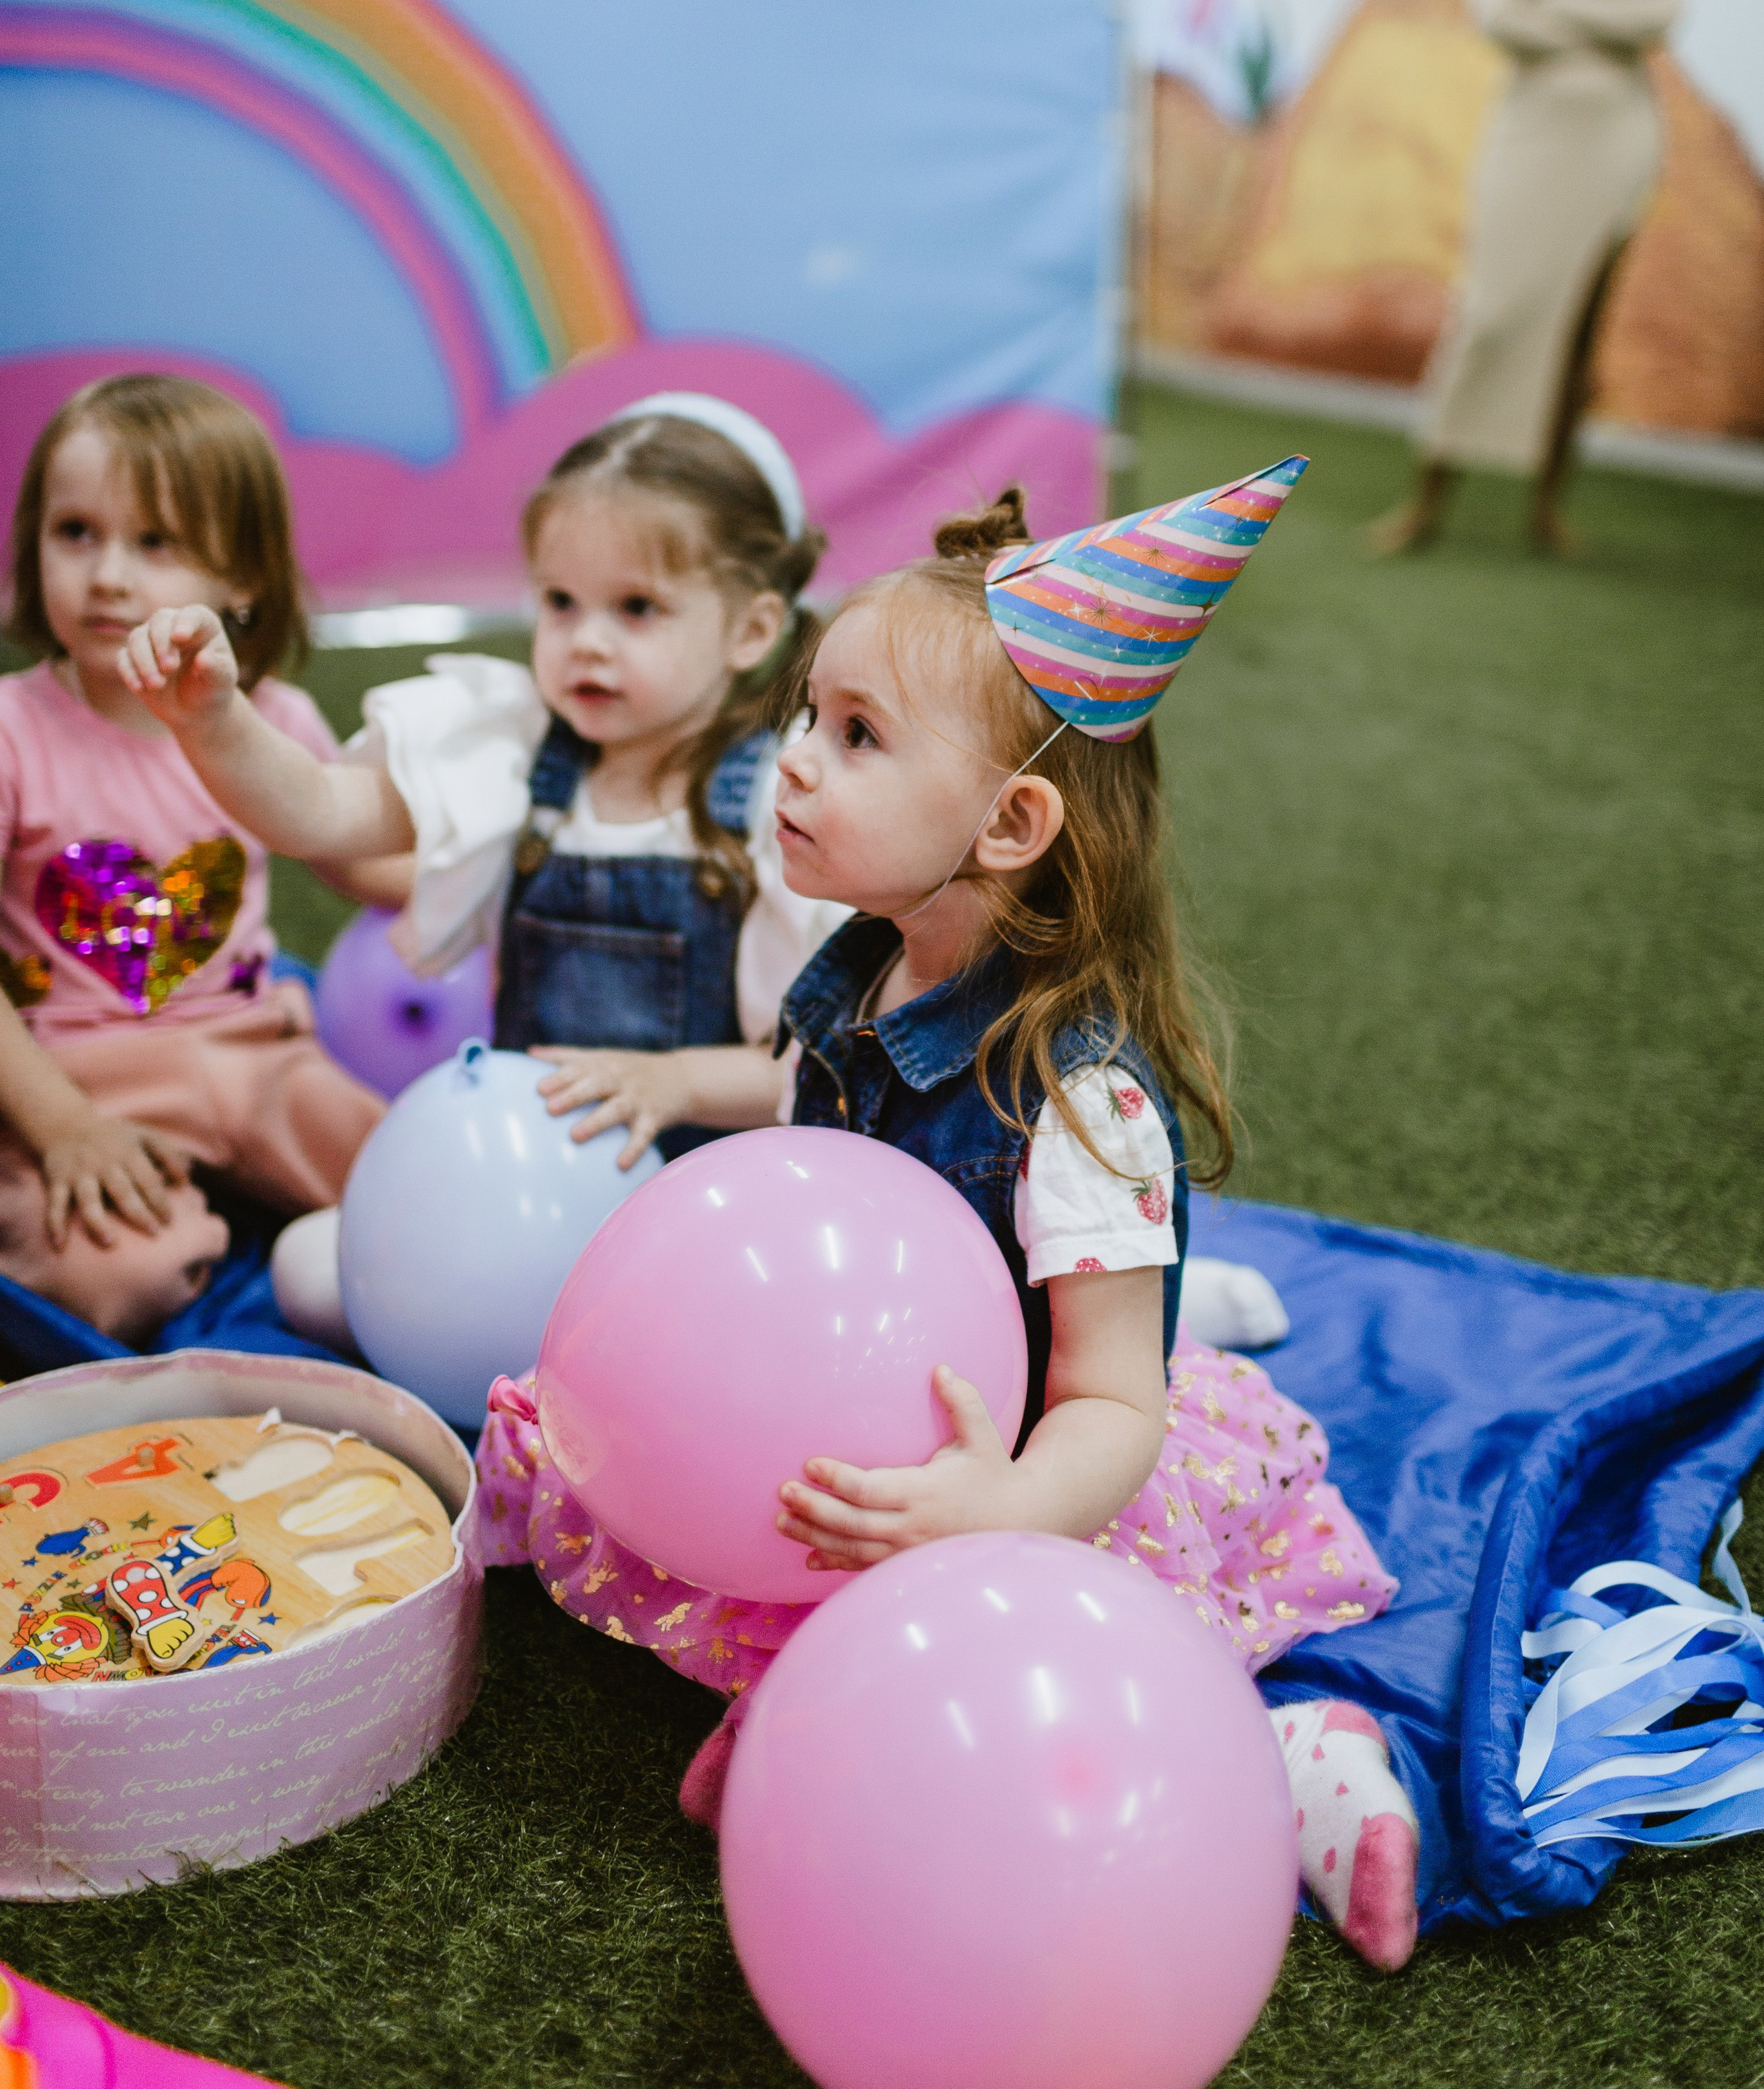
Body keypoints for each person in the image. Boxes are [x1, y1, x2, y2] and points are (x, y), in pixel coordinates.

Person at [475, 459, 1417, 1974]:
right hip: (872, 1433)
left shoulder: (1084, 1105)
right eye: (802, 716)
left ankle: (1298, 1768)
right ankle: (820, 1714)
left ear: (1008, 822)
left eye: (852, 737)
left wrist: (1006, 1509)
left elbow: (1110, 1398)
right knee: (625, 1487)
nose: (787, 762)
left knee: (1033, 1650)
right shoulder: (860, 967)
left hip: (1030, 1468)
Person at [117, 396, 847, 1343]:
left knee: (727, 1329)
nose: (586, 639)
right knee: (308, 1269)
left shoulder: (770, 803)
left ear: (751, 631)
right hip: (526, 1200)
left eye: (637, 608)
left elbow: (811, 1075)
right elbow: (318, 813)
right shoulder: (511, 756)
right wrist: (213, 721)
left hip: (703, 1215)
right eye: (560, 602)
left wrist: (670, 1084)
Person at [0, 376, 396, 1345]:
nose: (108, 577)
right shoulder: (14, 730)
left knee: (406, 1182)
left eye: (157, 543)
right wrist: (63, 1130)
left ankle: (276, 1242)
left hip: (252, 1052)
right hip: (69, 1071)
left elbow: (358, 863)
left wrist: (504, 882)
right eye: (77, 533)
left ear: (242, 582)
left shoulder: (271, 720)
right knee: (128, 1273)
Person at [1375, 0, 1679, 554]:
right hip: (1530, 132)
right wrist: (1605, 16)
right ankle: (1426, 501)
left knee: (1578, 335)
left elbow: (1660, 16)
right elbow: (1499, 15)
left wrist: (1558, 4)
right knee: (1488, 313)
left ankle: (1545, 511)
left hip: (1618, 138)